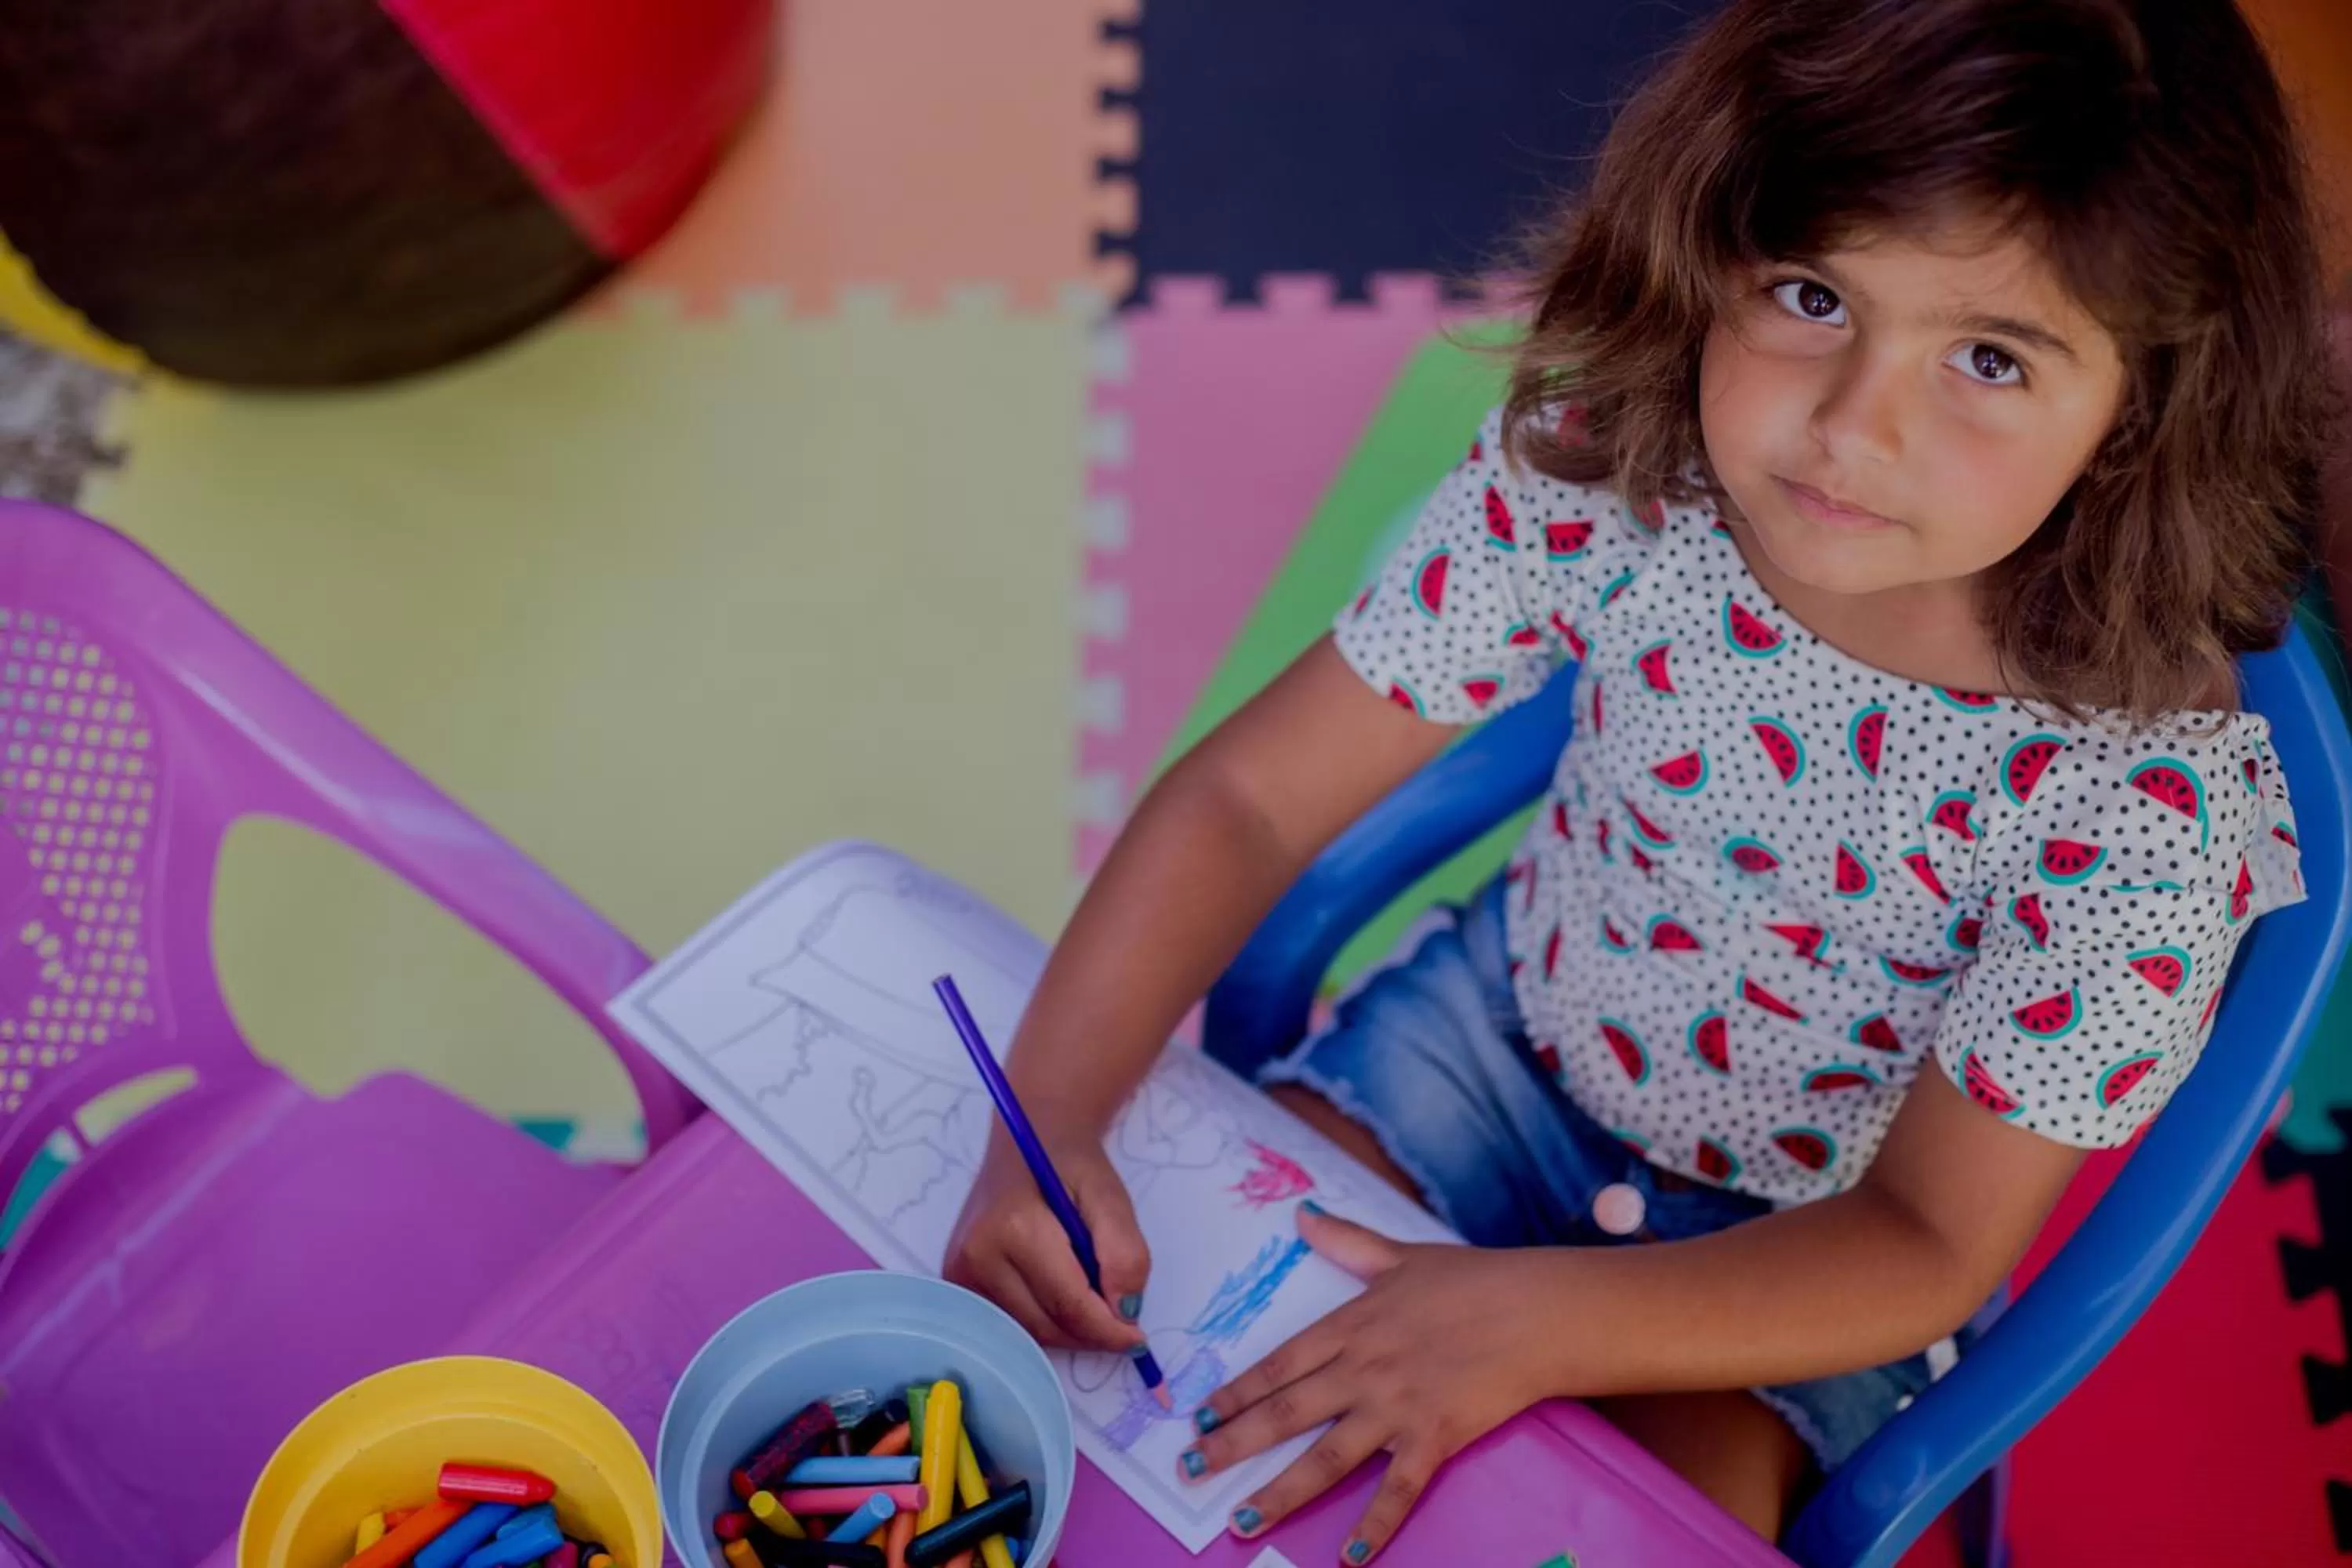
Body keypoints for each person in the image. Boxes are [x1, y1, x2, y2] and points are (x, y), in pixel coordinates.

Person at [946, 0, 2339, 1555]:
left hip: (1798, 1250)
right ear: (1712, 238)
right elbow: (1249, 799)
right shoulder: (1615, 473)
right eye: (1813, 294)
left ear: (2145, 402)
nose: (1853, 427)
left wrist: (1529, 1318)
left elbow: (1926, 1240)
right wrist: (1043, 1120)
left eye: (1990, 358)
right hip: (1488, 1055)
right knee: (1156, 1394)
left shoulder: (2145, 812)